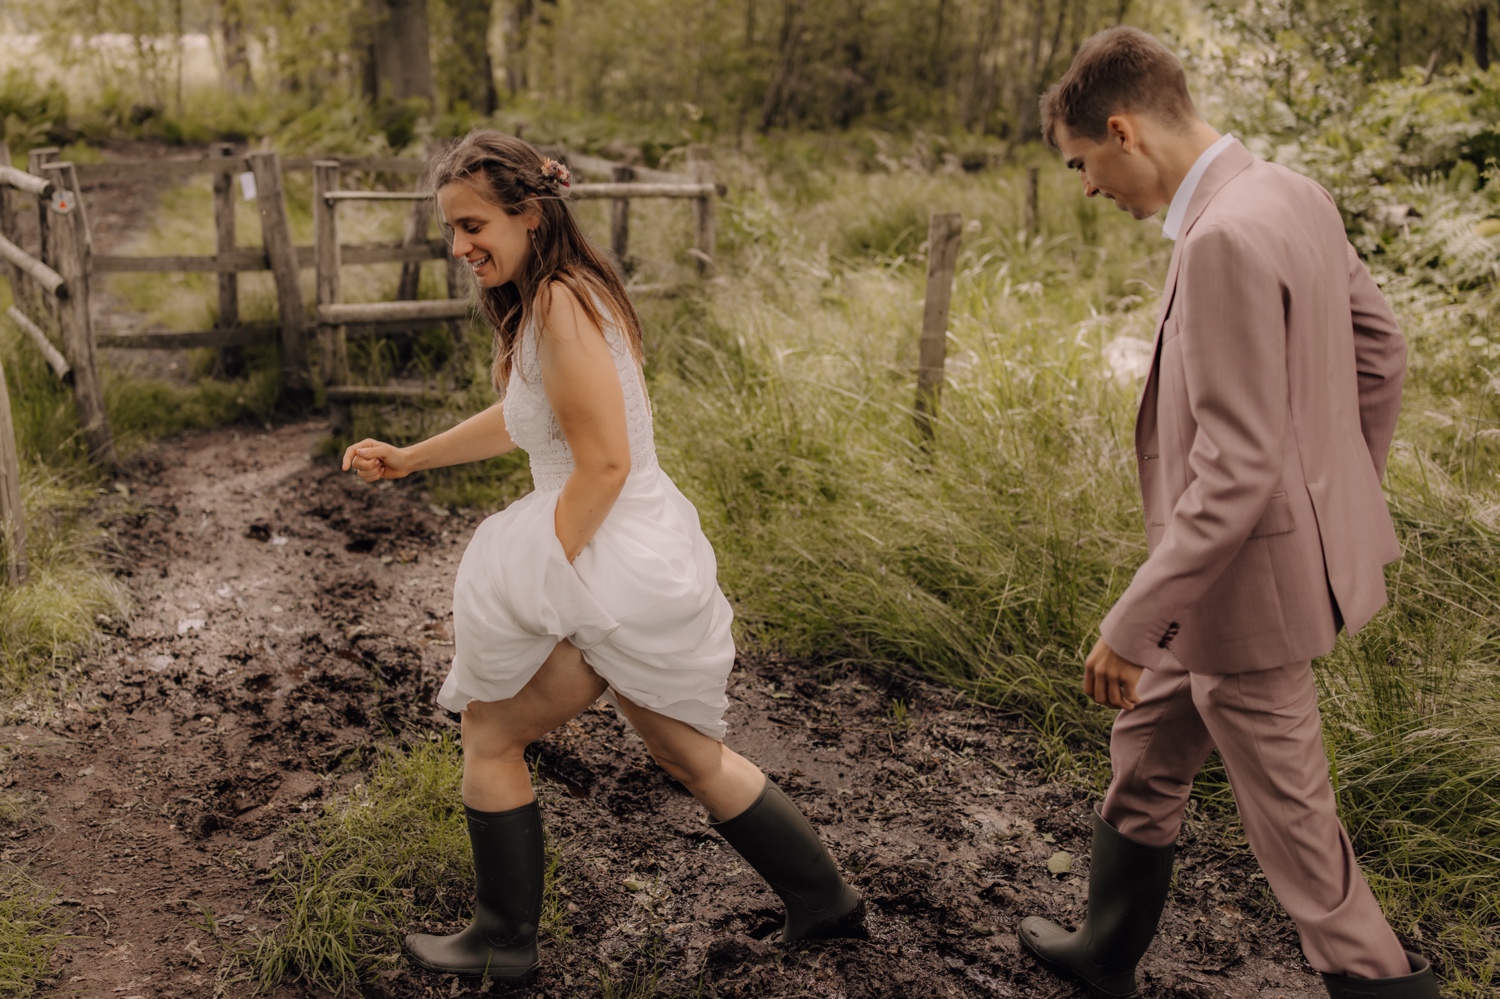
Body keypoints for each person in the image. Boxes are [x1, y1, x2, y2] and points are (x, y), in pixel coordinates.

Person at [342, 131, 863, 981]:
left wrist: (550, 579)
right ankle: (827, 902)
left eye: (473, 224)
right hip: (628, 539)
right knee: (688, 754)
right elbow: (524, 418)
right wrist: (408, 456)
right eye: (450, 230)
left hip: (605, 547)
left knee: (489, 731)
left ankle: (504, 943)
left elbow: (606, 463)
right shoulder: (564, 293)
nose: (460, 246)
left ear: (530, 211)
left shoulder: (557, 304)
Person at [1017, 27, 1439, 999]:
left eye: (1083, 165)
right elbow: (1384, 353)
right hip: (1217, 592)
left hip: (1241, 598)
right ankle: (1105, 952)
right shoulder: (1290, 192)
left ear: (1122, 131)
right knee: (1148, 751)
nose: (1088, 188)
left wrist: (1131, 623)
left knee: (1304, 846)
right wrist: (1335, 502)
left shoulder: (1222, 238)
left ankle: (1378, 981)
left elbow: (1238, 468)